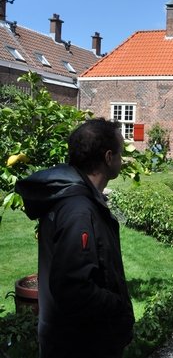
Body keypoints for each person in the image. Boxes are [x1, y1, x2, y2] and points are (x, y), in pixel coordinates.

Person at [15, 118, 134, 358]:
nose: (123, 159)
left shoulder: (74, 198)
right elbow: (73, 287)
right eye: (121, 153)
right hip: (81, 344)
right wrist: (117, 305)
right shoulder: (78, 210)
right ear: (108, 157)